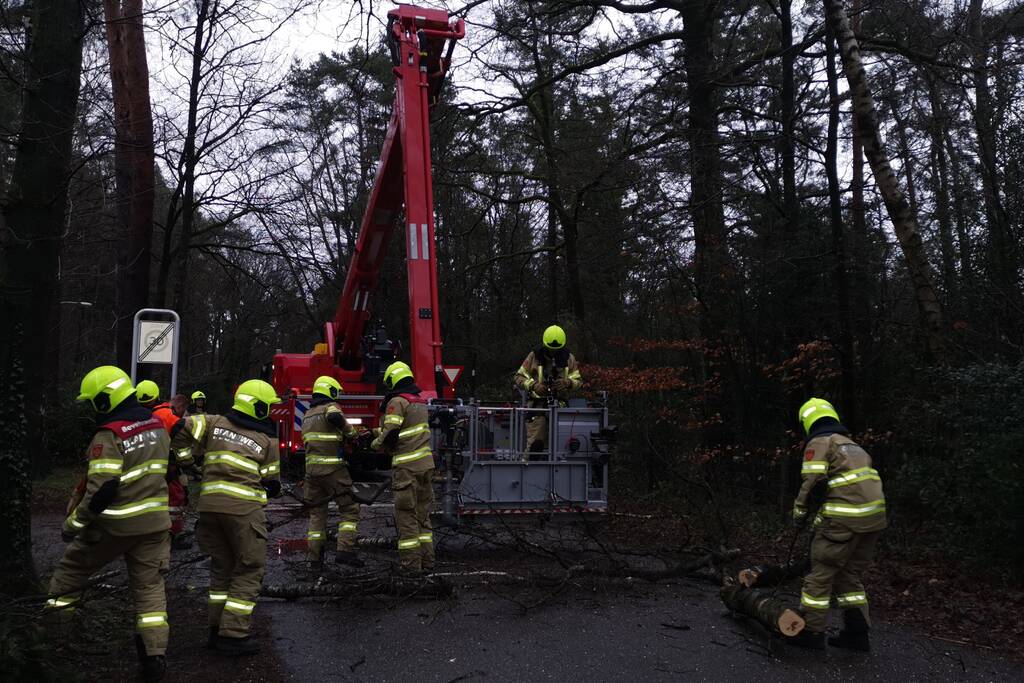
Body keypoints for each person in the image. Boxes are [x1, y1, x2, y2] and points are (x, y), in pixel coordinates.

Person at [48, 366, 171, 682]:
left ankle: (55, 640)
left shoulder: (110, 434)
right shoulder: (156, 424)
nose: (92, 409)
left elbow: (101, 490)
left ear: (105, 399)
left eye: (94, 402)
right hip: (155, 523)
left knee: (69, 575)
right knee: (150, 591)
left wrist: (73, 525)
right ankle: (154, 658)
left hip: (115, 526)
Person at [171, 380, 281, 655]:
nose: (269, 413)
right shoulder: (268, 439)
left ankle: (216, 629)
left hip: (209, 508)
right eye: (267, 407)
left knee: (222, 568)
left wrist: (189, 464)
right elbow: (272, 481)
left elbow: (179, 429)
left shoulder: (214, 421)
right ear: (257, 406)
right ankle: (233, 635)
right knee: (249, 568)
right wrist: (269, 486)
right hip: (243, 511)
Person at [788, 398, 887, 651]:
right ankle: (857, 635)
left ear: (808, 421)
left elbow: (812, 483)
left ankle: (810, 633)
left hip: (845, 519)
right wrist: (818, 520)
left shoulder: (820, 443)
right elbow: (842, 491)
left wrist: (799, 514)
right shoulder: (854, 447)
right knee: (848, 577)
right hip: (873, 520)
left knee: (819, 577)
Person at [371, 361, 435, 574]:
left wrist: (374, 444)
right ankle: (428, 562)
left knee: (406, 518)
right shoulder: (419, 401)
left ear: (391, 380)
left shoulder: (397, 402)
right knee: (423, 518)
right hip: (426, 466)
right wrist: (375, 432)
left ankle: (410, 567)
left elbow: (390, 433)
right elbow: (407, 430)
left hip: (407, 469)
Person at [301, 375, 363, 566]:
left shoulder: (307, 414)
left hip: (311, 473)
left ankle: (314, 559)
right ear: (329, 391)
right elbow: (335, 417)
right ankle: (345, 550)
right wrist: (351, 433)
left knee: (317, 513)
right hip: (332, 470)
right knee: (350, 508)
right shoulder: (330, 407)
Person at [513, 325, 584, 453]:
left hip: (561, 407)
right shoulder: (534, 356)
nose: (553, 353)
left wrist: (567, 383)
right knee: (535, 446)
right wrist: (535, 386)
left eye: (556, 350)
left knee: (563, 447)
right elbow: (519, 377)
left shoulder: (569, 358)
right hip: (537, 407)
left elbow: (579, 381)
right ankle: (531, 466)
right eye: (551, 349)